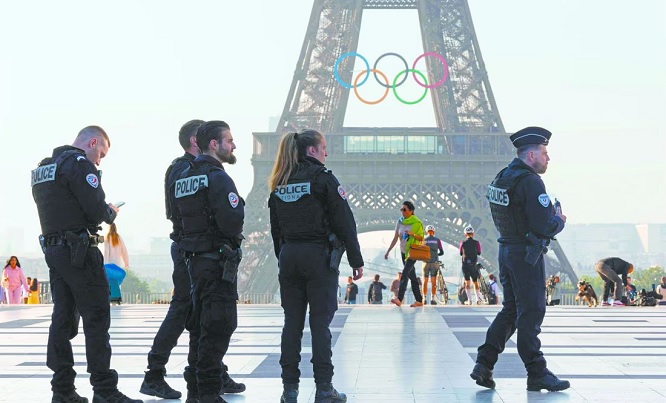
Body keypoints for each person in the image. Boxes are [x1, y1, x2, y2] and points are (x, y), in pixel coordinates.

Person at [30, 125, 141, 402]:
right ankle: (104, 390)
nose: (99, 161)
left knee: (62, 319)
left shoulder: (44, 168)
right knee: (96, 318)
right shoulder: (79, 164)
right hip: (80, 252)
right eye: (101, 154)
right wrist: (110, 212)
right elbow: (96, 210)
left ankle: (62, 390)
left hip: (55, 252)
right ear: (92, 143)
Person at [142, 120, 245, 401]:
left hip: (191, 249)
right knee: (199, 316)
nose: (233, 145)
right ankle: (174, 376)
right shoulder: (199, 171)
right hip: (199, 253)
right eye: (228, 140)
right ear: (198, 140)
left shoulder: (184, 172)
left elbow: (174, 211)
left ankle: (203, 379)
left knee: (200, 318)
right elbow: (229, 219)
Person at [268, 130, 364, 403]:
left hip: (290, 256)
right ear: (311, 150)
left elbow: (276, 230)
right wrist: (355, 260)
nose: (326, 153)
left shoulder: (280, 182)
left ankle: (289, 390)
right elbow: (345, 221)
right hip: (318, 257)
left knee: (292, 324)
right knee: (320, 324)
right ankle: (323, 388)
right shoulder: (323, 179)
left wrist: (284, 256)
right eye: (323, 148)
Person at [471, 126, 569, 392]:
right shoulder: (531, 181)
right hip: (526, 254)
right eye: (544, 153)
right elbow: (543, 225)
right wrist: (558, 220)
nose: (548, 158)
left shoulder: (502, 177)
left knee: (512, 310)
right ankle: (537, 372)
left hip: (506, 250)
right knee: (531, 312)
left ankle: (484, 363)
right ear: (531, 155)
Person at [384, 201, 425, 308]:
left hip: (412, 252)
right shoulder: (400, 222)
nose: (402, 211)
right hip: (403, 252)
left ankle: (399, 299)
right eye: (401, 209)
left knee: (405, 274)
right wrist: (388, 251)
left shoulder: (417, 223)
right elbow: (395, 238)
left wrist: (412, 234)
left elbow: (421, 238)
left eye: (404, 209)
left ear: (411, 211)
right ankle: (419, 300)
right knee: (413, 277)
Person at [460, 226, 484, 305]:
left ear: (465, 234)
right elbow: (479, 252)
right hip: (473, 265)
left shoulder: (462, 243)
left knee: (467, 283)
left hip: (465, 265)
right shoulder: (477, 243)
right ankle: (477, 299)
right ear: (473, 234)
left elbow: (460, 253)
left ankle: (469, 300)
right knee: (475, 282)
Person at [422, 225, 444, 305]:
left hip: (425, 262)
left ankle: (424, 298)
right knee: (433, 281)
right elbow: (442, 252)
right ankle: (432, 299)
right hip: (434, 262)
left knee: (425, 281)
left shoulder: (424, 240)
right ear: (433, 232)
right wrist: (436, 254)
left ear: (426, 232)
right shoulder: (437, 240)